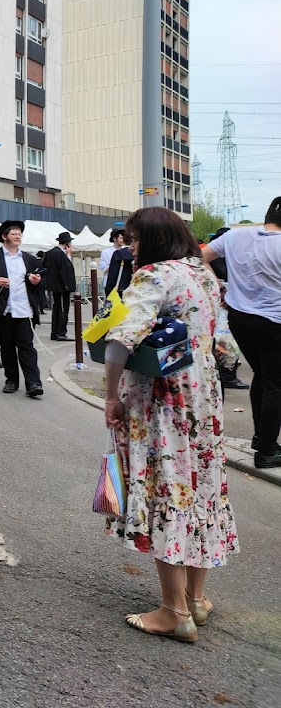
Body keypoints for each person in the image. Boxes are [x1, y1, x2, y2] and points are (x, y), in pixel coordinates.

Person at [103, 207, 238, 642]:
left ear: (153, 239)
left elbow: (122, 339)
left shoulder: (153, 276)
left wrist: (110, 396)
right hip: (203, 396)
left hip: (161, 399)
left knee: (166, 488)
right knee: (199, 487)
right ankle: (196, 600)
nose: (132, 247)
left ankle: (172, 611)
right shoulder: (203, 275)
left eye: (135, 238)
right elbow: (223, 342)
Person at [203, 197, 281, 468]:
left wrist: (218, 287)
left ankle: (262, 440)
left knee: (263, 376)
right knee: (275, 384)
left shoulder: (236, 236)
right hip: (273, 323)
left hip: (239, 318)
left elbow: (199, 256)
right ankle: (267, 452)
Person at [0, 220, 45, 397]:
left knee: (27, 347)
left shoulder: (29, 259)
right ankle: (12, 380)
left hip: (24, 309)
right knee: (7, 347)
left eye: (20, 234)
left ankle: (33, 383)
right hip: (4, 309)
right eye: (14, 234)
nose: (18, 237)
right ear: (4, 236)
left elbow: (38, 283)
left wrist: (36, 282)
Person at [44, 232, 77, 341]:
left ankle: (55, 332)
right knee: (63, 309)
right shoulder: (61, 254)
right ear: (67, 243)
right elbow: (67, 269)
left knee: (56, 308)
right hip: (62, 286)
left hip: (54, 285)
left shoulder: (50, 253)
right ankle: (60, 332)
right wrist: (68, 255)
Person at [103, 230, 135, 297]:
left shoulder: (118, 254)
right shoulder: (139, 253)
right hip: (136, 285)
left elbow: (113, 273)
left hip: (121, 286)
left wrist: (108, 290)